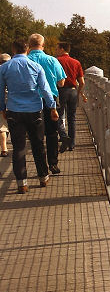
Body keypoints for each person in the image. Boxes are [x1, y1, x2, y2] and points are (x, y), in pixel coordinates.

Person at [1, 39, 58, 193]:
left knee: (18, 147)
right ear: (27, 49)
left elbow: (0, 90)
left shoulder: (4, 68)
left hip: (14, 111)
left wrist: (2, 108)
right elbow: (45, 89)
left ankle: (22, 183)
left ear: (13, 49)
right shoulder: (36, 66)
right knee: (38, 144)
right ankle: (43, 177)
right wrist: (52, 107)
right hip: (34, 110)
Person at [26, 33, 66, 174]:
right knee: (52, 133)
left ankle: (41, 168)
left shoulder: (24, 61)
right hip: (51, 100)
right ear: (43, 45)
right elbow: (61, 82)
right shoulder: (52, 60)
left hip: (30, 101)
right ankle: (53, 163)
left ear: (29, 45)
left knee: (35, 136)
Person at [55, 42, 86, 151]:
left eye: (57, 49)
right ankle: (72, 144)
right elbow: (82, 82)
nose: (56, 51)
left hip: (60, 91)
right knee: (72, 118)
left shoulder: (57, 61)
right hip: (73, 91)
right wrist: (79, 92)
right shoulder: (76, 62)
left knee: (57, 116)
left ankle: (63, 136)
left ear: (62, 49)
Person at [0, 53, 9, 156]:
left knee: (2, 127)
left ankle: (4, 149)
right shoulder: (12, 70)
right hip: (12, 102)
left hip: (1, 101)